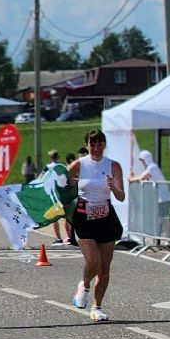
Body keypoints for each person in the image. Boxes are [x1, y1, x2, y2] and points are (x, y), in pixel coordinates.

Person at [65, 128, 126, 323]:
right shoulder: (79, 164)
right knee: (93, 260)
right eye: (93, 144)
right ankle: (83, 287)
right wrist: (70, 184)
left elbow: (121, 196)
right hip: (84, 216)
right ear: (87, 145)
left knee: (104, 268)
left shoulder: (113, 166)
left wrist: (113, 186)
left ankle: (97, 307)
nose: (96, 148)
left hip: (105, 216)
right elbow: (60, 184)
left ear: (104, 145)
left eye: (100, 144)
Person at [130, 148, 170, 244]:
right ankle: (158, 240)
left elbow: (141, 177)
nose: (142, 163)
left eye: (142, 160)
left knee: (164, 219)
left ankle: (168, 241)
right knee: (160, 219)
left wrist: (131, 178)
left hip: (163, 198)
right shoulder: (151, 168)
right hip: (159, 198)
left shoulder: (152, 167)